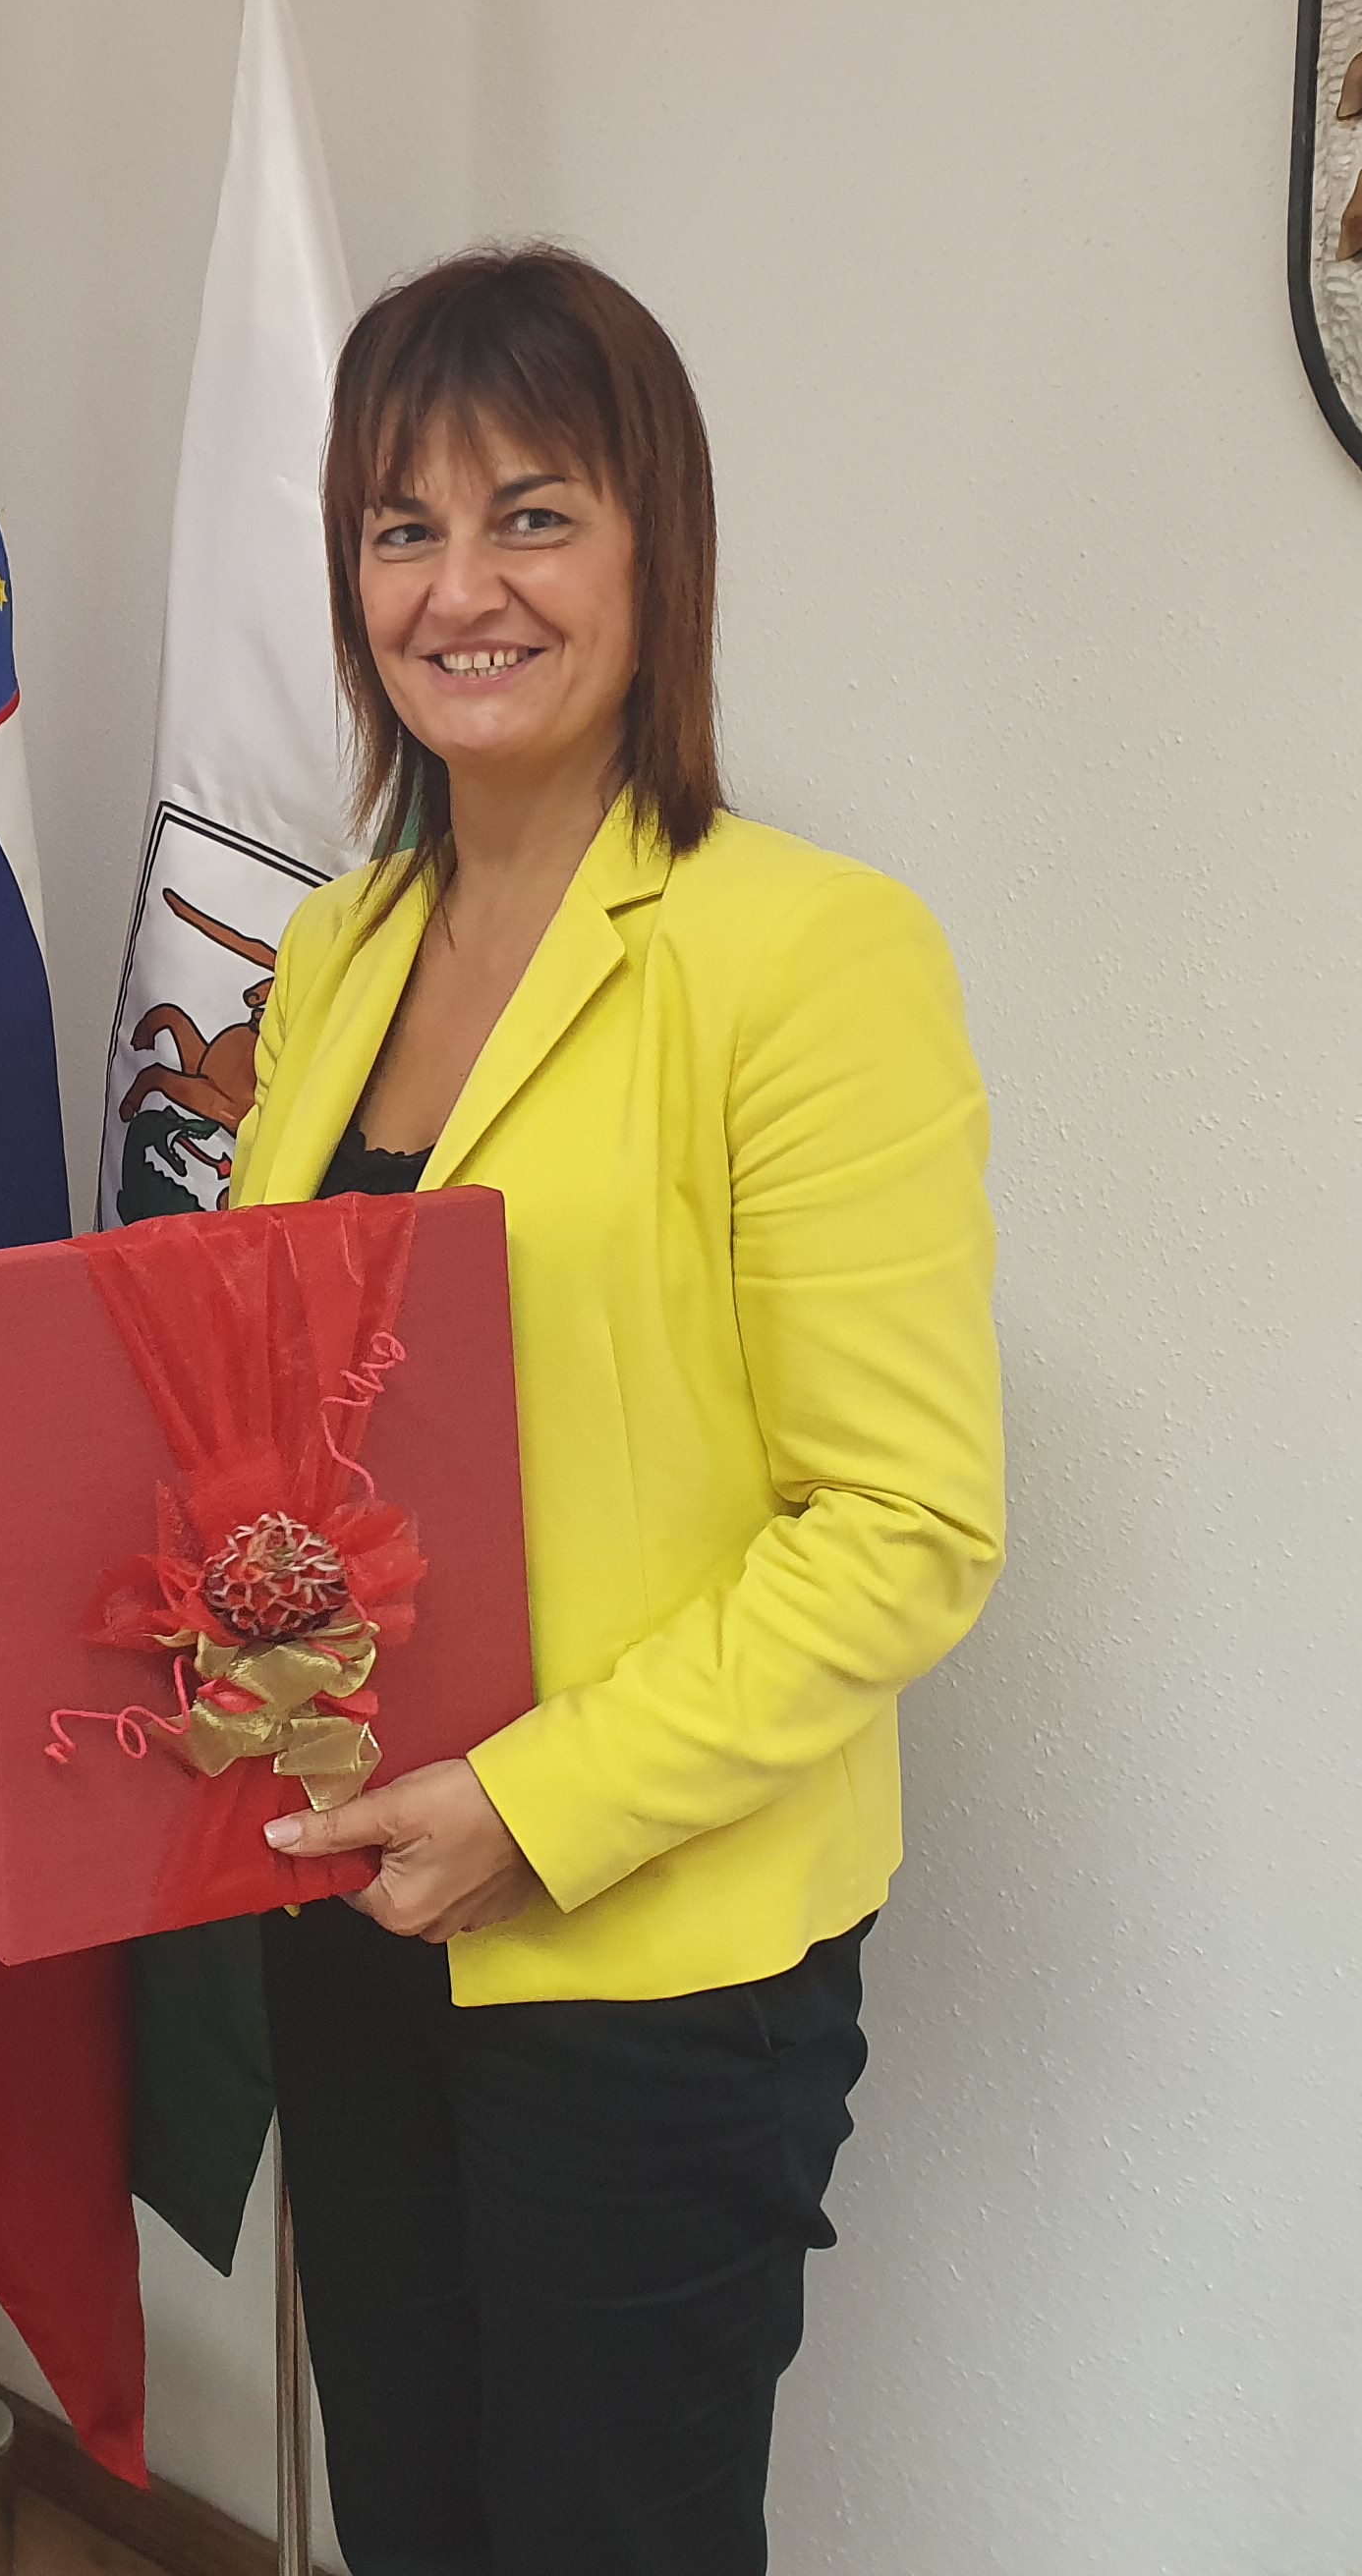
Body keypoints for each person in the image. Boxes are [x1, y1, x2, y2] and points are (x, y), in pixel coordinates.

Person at [230, 248, 1005, 2573]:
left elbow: (904, 1526)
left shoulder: (808, 951)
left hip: (645, 1958)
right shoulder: (333, 951)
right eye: (401, 529)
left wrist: (529, 1805)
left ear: (659, 549)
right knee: (413, 2524)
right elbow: (275, 1410)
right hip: (354, 1902)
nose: (458, 590)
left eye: (533, 516)